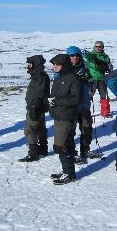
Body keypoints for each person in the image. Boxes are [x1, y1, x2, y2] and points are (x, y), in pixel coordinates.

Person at [48, 53, 82, 185]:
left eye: (57, 64)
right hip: (58, 115)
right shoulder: (58, 78)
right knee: (65, 144)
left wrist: (57, 101)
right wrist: (50, 101)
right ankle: (67, 171)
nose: (55, 66)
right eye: (54, 64)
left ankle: (69, 174)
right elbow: (54, 95)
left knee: (62, 145)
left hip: (67, 116)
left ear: (64, 65)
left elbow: (75, 99)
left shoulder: (74, 79)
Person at [19, 55, 50, 162]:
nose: (28, 66)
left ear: (35, 64)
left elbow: (40, 92)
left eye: (30, 64)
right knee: (41, 127)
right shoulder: (39, 75)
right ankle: (42, 149)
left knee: (29, 129)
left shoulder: (39, 76)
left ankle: (33, 153)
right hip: (39, 106)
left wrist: (33, 106)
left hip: (36, 106)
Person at [67, 46, 94, 165]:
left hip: (84, 105)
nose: (75, 57)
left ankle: (85, 150)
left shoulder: (85, 67)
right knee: (70, 131)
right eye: (72, 55)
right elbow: (59, 85)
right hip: (71, 106)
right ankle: (72, 153)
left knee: (87, 129)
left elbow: (93, 83)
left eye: (77, 55)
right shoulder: (64, 69)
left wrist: (89, 79)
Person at [81, 41, 113, 118]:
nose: (98, 48)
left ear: (103, 47)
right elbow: (88, 56)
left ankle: (105, 112)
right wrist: (85, 53)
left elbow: (108, 64)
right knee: (88, 96)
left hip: (102, 78)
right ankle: (85, 113)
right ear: (94, 47)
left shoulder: (105, 56)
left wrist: (109, 66)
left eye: (100, 46)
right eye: (96, 46)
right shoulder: (92, 55)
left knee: (104, 96)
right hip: (92, 78)